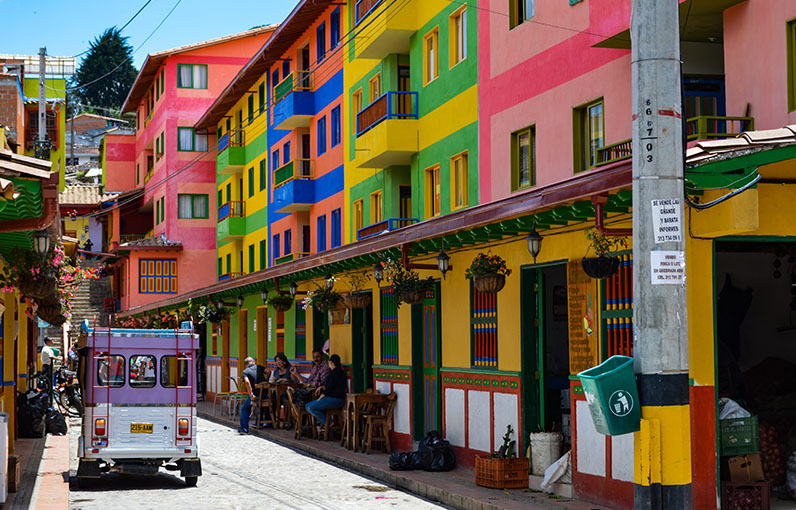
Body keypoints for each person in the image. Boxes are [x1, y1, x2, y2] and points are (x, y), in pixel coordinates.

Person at [305, 354, 347, 427]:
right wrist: (322, 387)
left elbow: (329, 388)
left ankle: (328, 423)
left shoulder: (335, 373)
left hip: (336, 399)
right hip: (333, 398)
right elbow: (332, 386)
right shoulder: (336, 372)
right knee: (307, 405)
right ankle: (326, 422)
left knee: (311, 407)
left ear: (331, 362)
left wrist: (322, 396)